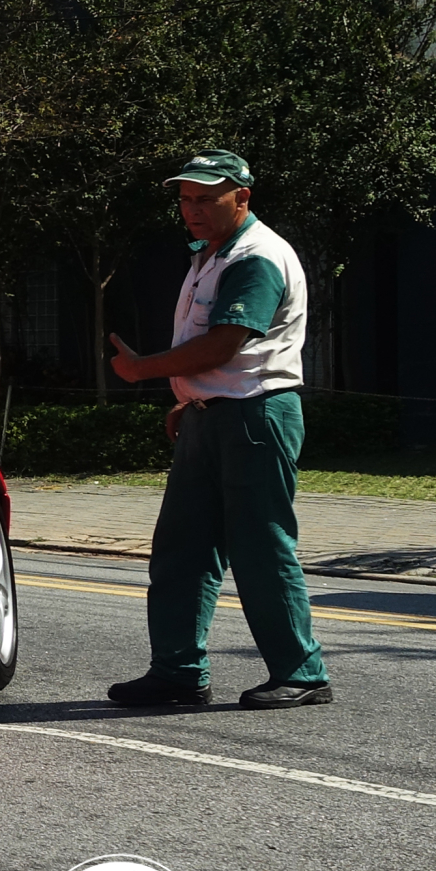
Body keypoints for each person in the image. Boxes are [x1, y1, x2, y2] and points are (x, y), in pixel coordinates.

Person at [104, 150, 332, 711]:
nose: (193, 209)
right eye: (186, 199)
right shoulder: (214, 253)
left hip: (254, 416)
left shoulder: (255, 257)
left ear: (242, 197)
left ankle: (302, 673)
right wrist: (192, 399)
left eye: (207, 198)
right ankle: (178, 673)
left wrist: (140, 370)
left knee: (260, 547)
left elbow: (224, 343)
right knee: (181, 550)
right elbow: (217, 354)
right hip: (216, 414)